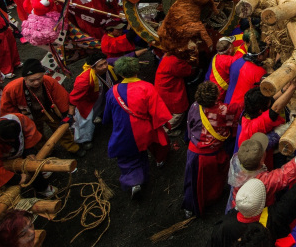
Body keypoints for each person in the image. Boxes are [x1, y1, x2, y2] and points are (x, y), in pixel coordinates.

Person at [103, 56, 172, 198]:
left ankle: (135, 182)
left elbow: (108, 115)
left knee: (128, 157)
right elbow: (157, 111)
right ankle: (160, 160)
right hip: (145, 128)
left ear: (120, 73)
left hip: (124, 131)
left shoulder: (112, 91)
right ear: (137, 70)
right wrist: (165, 124)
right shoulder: (147, 87)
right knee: (157, 141)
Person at [183, 81, 243, 218]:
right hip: (211, 154)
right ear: (216, 96)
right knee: (214, 179)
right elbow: (234, 117)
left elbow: (190, 124)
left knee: (194, 182)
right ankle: (213, 198)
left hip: (194, 151)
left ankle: (190, 207)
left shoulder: (194, 106)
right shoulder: (223, 110)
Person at [0, 59, 83, 156]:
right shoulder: (12, 88)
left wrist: (66, 114)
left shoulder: (48, 80)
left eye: (39, 78)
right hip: (28, 114)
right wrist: (16, 121)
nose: (36, 82)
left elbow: (60, 97)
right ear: (25, 78)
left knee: (61, 127)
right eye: (32, 80)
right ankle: (46, 152)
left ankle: (72, 147)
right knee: (35, 135)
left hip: (48, 109)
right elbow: (7, 108)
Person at [0, 114, 55, 197]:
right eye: (10, 140)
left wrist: (29, 150)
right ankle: (43, 189)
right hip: (3, 156)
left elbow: (29, 131)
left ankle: (40, 172)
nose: (13, 140)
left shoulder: (17, 119)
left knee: (32, 159)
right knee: (26, 169)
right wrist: (17, 178)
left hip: (19, 146)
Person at [69, 52, 118, 147]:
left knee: (101, 110)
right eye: (100, 65)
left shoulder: (110, 69)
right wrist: (70, 113)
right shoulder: (84, 79)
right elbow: (74, 96)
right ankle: (83, 140)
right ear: (93, 67)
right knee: (86, 120)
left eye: (105, 63)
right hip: (87, 102)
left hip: (101, 96)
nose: (104, 67)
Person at [154, 52, 194, 136]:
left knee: (166, 109)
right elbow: (188, 71)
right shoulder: (175, 61)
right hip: (170, 91)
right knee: (179, 112)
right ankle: (166, 130)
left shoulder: (167, 55)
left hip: (163, 87)